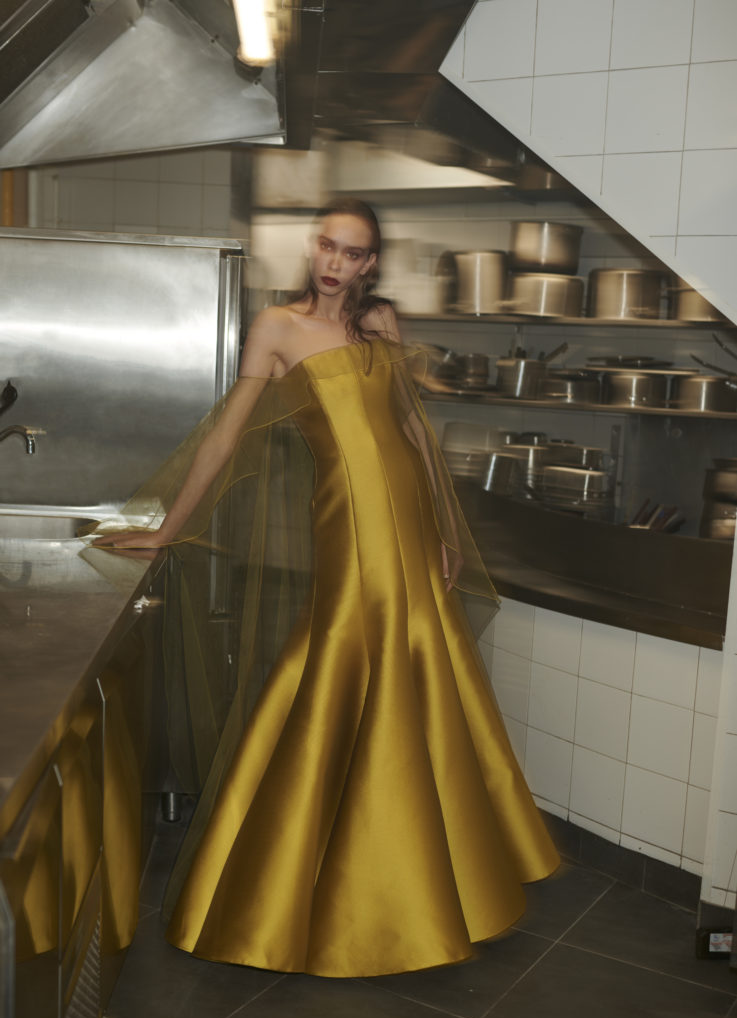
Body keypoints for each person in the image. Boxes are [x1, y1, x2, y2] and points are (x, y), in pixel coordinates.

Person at [94, 197, 559, 977]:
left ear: (370, 262)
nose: (335, 263)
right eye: (327, 247)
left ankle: (421, 860)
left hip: (409, 516)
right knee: (342, 654)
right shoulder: (278, 327)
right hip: (348, 523)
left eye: (352, 252)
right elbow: (226, 433)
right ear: (314, 250)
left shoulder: (379, 326)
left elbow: (411, 432)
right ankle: (308, 860)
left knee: (419, 663)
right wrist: (170, 527)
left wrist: (445, 527)